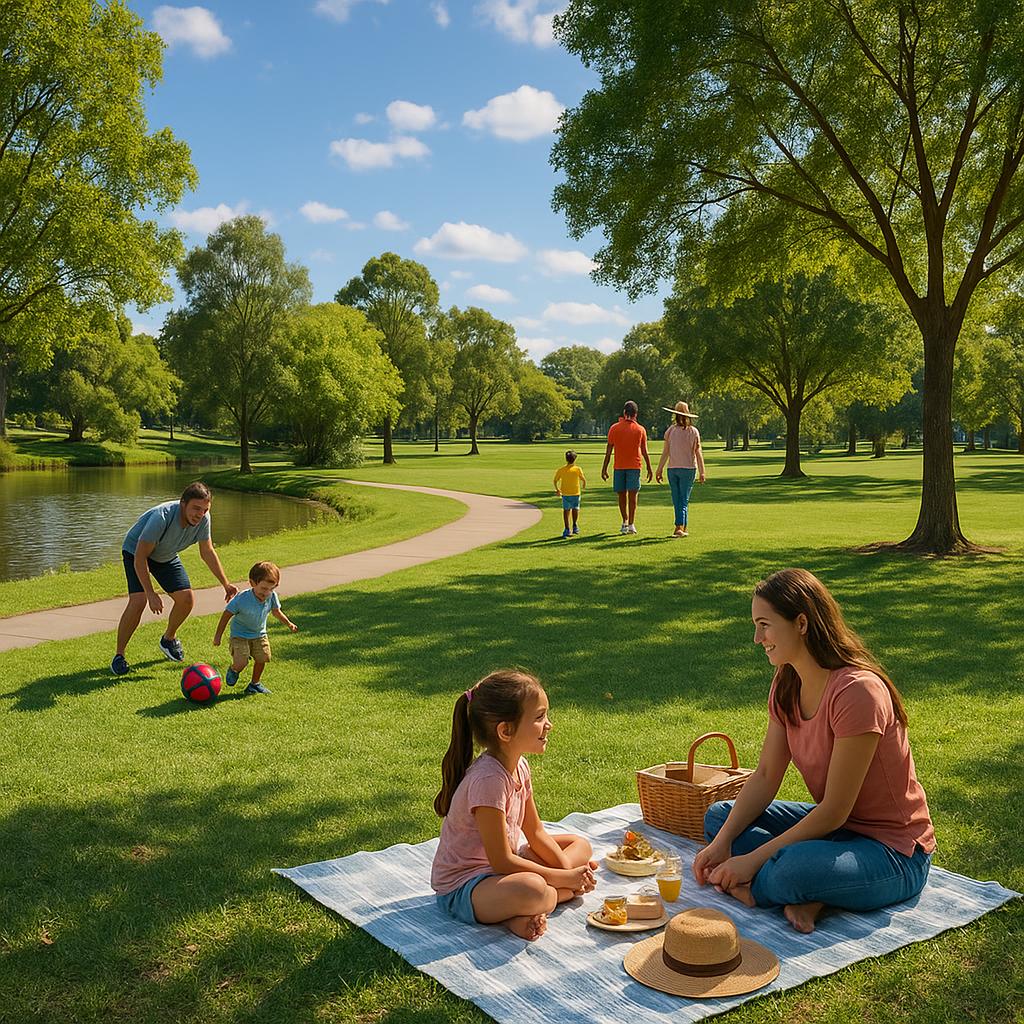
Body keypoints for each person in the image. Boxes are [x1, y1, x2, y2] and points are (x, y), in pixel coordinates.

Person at [692, 568, 935, 934]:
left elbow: (835, 810)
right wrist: (724, 843)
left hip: (895, 852)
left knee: (788, 868)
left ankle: (787, 887)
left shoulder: (857, 692)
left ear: (801, 623)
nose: (757, 638)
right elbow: (765, 777)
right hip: (838, 832)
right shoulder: (787, 682)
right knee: (719, 819)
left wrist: (752, 863)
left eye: (765, 625)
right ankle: (816, 891)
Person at [431, 669, 598, 941]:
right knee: (532, 888)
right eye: (539, 717)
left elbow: (536, 833)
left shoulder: (519, 765)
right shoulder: (488, 780)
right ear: (505, 731)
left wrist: (567, 872)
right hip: (466, 887)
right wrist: (567, 881)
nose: (549, 724)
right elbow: (502, 861)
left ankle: (527, 908)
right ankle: (536, 902)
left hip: (502, 871)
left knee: (579, 845)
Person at [112, 481, 237, 676]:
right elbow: (140, 557)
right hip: (136, 552)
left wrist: (225, 583)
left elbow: (207, 551)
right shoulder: (161, 517)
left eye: (205, 509)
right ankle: (119, 656)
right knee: (138, 601)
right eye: (196, 508)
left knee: (186, 599)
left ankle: (168, 639)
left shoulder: (204, 519)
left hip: (165, 556)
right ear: (183, 503)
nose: (200, 514)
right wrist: (150, 592)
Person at [212, 560, 298, 696]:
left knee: (263, 658)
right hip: (239, 636)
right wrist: (218, 636)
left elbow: (276, 612)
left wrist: (289, 623)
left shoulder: (271, 597)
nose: (267, 593)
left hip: (259, 635)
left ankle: (254, 684)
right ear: (252, 583)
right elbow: (226, 615)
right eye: (264, 588)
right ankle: (234, 670)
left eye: (272, 588)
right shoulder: (241, 599)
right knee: (241, 662)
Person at [601, 400, 653, 535]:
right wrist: (649, 467)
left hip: (619, 466)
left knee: (621, 495)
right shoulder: (641, 429)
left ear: (624, 412)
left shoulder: (614, 428)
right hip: (635, 466)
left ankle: (624, 521)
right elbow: (644, 451)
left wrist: (604, 468)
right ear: (636, 414)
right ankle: (631, 524)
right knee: (633, 496)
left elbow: (608, 450)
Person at [655, 400, 706, 538]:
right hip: (688, 469)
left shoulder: (670, 431)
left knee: (678, 499)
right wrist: (702, 471)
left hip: (673, 469)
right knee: (683, 500)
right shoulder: (693, 432)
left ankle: (680, 527)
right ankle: (681, 527)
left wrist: (659, 469)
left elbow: (665, 452)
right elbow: (698, 452)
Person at [553, 449, 587, 539]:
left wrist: (557, 490)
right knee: (575, 509)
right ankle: (574, 526)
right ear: (575, 459)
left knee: (566, 511)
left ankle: (568, 528)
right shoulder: (577, 469)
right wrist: (584, 485)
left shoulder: (561, 470)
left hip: (567, 493)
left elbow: (555, 480)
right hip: (575, 493)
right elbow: (583, 479)